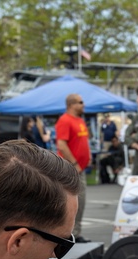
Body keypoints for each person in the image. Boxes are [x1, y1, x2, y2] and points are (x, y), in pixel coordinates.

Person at [55, 93, 90, 241]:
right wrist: (74, 163)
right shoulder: (65, 120)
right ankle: (71, 235)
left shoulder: (80, 120)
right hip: (71, 169)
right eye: (80, 102)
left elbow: (81, 142)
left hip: (80, 168)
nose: (83, 105)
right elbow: (61, 144)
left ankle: (76, 233)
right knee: (75, 201)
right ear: (71, 104)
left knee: (81, 202)